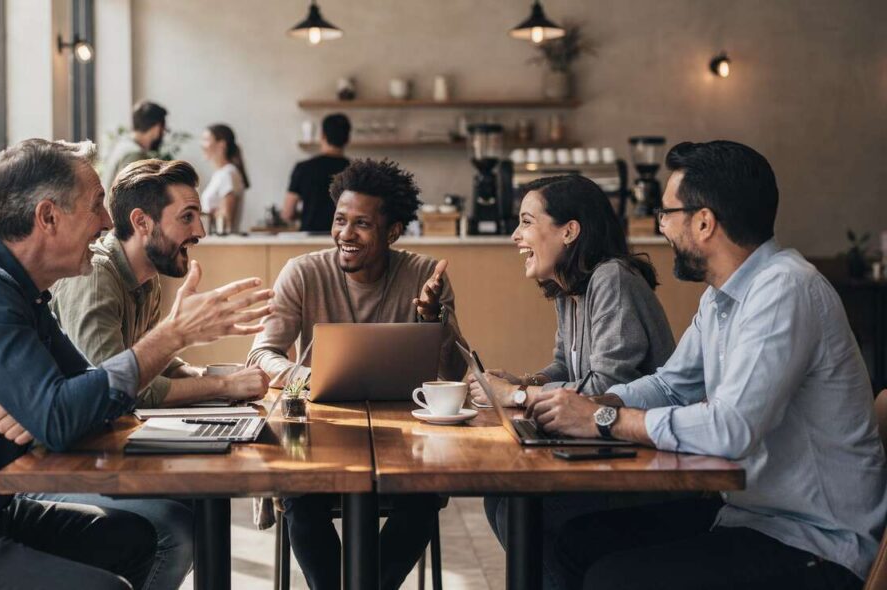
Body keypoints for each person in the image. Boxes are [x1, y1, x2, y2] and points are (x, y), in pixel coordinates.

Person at [0, 138, 273, 590]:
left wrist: (49, 407)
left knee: (143, 538)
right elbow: (63, 413)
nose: (105, 221)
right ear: (48, 217)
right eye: (96, 205)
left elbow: (93, 398)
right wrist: (172, 335)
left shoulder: (26, 296)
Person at [531, 141, 886, 589]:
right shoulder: (720, 296)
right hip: (747, 515)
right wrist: (588, 403)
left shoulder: (784, 290)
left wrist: (604, 419)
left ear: (703, 222)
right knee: (573, 539)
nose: (661, 228)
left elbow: (731, 429)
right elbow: (672, 385)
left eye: (665, 214)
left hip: (816, 542)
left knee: (615, 579)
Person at [0, 158, 270, 590]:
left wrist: (209, 374)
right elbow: (114, 385)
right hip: (48, 470)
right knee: (175, 523)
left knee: (191, 500)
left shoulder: (146, 280)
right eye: (187, 217)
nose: (200, 232)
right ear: (142, 221)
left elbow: (141, 365)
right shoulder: (93, 277)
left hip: (84, 450)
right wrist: (221, 385)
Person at [247, 158, 468, 590]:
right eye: (340, 220)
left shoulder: (425, 276)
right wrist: (307, 376)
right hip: (320, 435)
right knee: (300, 494)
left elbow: (451, 372)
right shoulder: (303, 272)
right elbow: (261, 353)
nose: (346, 235)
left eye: (362, 224)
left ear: (392, 232)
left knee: (423, 497)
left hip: (407, 441)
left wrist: (433, 319)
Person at [471, 175, 676, 590]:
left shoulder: (611, 277)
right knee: (501, 499)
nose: (516, 236)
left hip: (649, 467)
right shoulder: (569, 290)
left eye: (527, 222)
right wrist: (526, 380)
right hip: (610, 452)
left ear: (569, 230)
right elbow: (566, 365)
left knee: (522, 511)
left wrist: (515, 395)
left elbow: (607, 383)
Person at [281, 113, 351, 232]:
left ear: (322, 136)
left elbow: (287, 213)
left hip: (309, 237)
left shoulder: (303, 168)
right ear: (347, 138)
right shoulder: (355, 170)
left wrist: (307, 211)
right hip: (343, 238)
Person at [101, 100, 168, 189]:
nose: (163, 134)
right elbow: (133, 198)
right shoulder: (135, 154)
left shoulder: (121, 144)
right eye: (164, 130)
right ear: (157, 128)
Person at [200, 123, 248, 234]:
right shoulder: (220, 174)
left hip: (222, 244)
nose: (201, 145)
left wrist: (203, 215)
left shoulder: (228, 173)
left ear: (221, 144)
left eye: (206, 140)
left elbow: (226, 218)